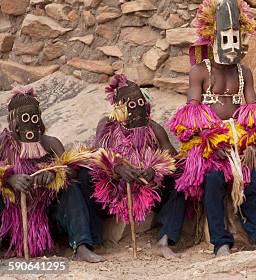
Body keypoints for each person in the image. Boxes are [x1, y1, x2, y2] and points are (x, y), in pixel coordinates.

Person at [169, 0, 256, 257]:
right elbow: (191, 117)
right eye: (226, 38)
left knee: (255, 178)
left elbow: (255, 113)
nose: (232, 44)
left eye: (236, 37)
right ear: (213, 38)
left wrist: (253, 146)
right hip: (210, 145)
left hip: (241, 142)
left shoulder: (244, 72)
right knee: (212, 181)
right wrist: (209, 146)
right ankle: (220, 242)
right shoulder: (200, 72)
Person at [85, 75, 184, 259]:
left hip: (149, 190)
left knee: (179, 177)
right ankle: (92, 242)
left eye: (141, 102)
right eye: (131, 105)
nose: (138, 107)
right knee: (83, 179)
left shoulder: (153, 128)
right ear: (119, 108)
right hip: (115, 192)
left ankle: (165, 240)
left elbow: (173, 158)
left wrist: (155, 169)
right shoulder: (107, 126)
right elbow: (97, 156)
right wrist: (116, 168)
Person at [0, 87, 103, 262]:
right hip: (11, 217)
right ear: (13, 122)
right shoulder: (2, 144)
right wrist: (9, 178)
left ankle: (81, 245)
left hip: (47, 217)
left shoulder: (51, 143)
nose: (30, 123)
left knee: (71, 188)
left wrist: (55, 174)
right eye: (24, 119)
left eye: (34, 117)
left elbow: (70, 171)